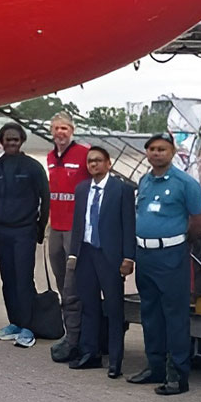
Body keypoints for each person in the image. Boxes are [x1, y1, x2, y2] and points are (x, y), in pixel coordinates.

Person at [127, 132, 201, 396]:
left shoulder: (186, 183)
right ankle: (155, 367)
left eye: (162, 149)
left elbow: (199, 222)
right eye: (151, 149)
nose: (156, 153)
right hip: (145, 256)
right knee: (150, 314)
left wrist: (180, 242)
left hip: (171, 256)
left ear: (171, 152)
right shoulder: (145, 182)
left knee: (174, 316)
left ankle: (177, 375)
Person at [67, 146, 135, 379]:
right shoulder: (82, 189)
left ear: (109, 164)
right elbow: (78, 224)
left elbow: (128, 224)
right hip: (86, 253)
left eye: (98, 160)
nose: (93, 164)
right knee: (89, 305)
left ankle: (115, 360)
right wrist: (73, 253)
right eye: (90, 161)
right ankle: (90, 352)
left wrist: (128, 257)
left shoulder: (122, 190)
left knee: (114, 308)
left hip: (110, 256)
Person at [0, 122, 49, 348]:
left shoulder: (33, 167)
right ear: (1, 142)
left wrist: (39, 230)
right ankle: (14, 322)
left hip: (25, 231)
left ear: (21, 141)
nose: (11, 143)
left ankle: (28, 326)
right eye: (7, 139)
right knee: (8, 279)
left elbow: (46, 198)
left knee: (24, 279)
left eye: (15, 139)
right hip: (2, 230)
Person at [46, 111, 90, 363]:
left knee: (73, 283)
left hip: (75, 228)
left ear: (71, 130)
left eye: (65, 128)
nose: (60, 132)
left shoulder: (83, 154)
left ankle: (78, 336)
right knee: (61, 279)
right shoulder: (52, 157)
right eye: (56, 128)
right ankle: (69, 330)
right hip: (57, 227)